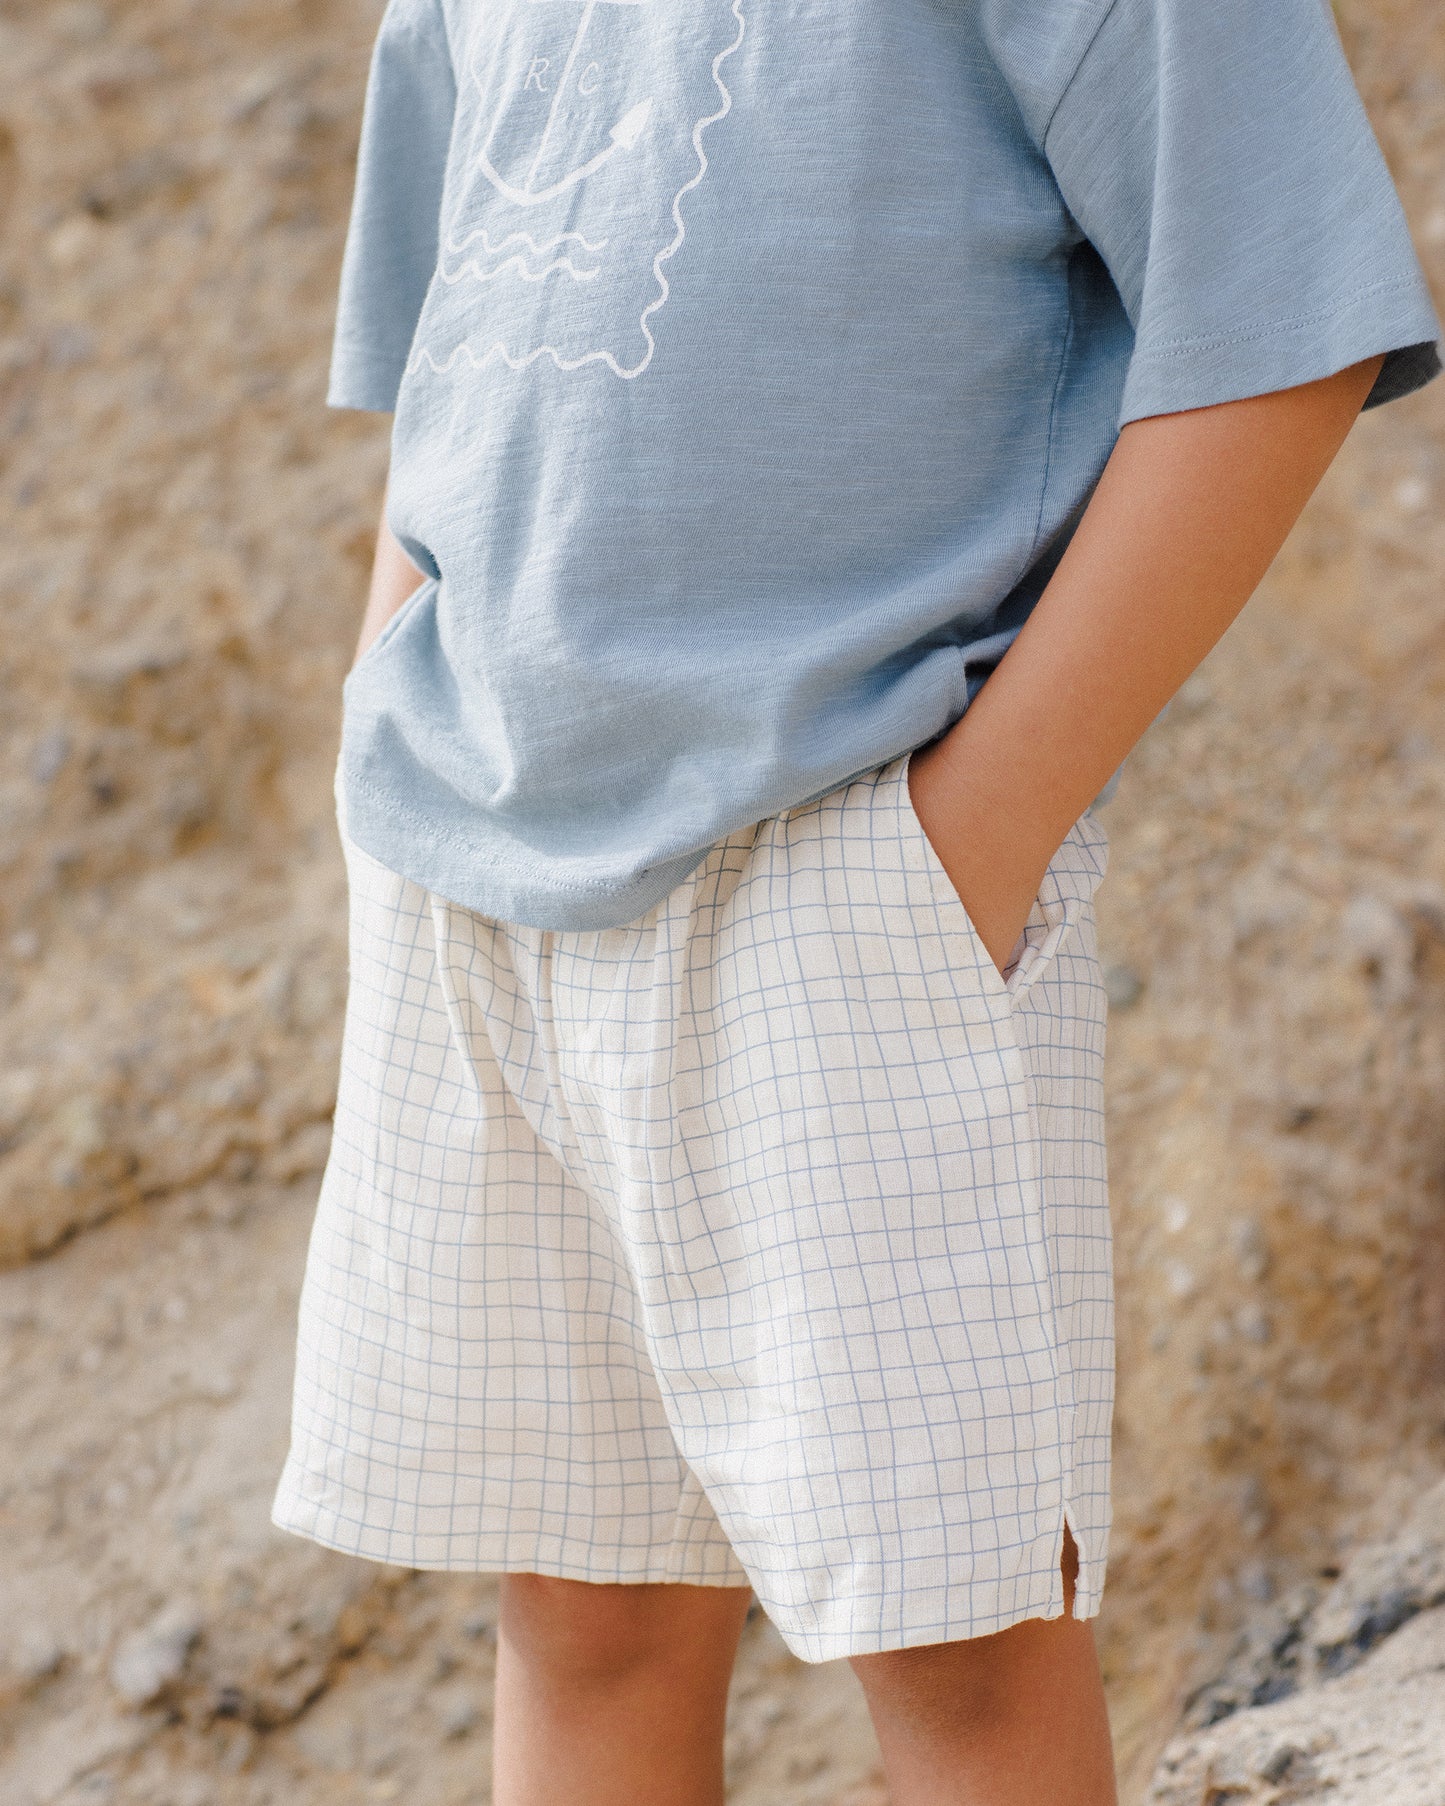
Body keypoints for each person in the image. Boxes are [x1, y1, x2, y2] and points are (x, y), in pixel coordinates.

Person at [272, 0, 1441, 1799]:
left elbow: (1278, 334)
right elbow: (446, 370)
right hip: (466, 872)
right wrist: (384, 740)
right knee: (580, 1611)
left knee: (955, 1645)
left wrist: (975, 830)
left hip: (834, 869)